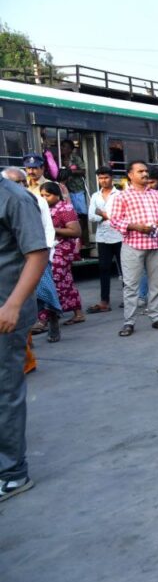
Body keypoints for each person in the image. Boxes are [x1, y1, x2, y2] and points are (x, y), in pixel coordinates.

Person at [0, 169, 48, 503]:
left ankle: (13, 473)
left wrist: (13, 305)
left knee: (4, 390)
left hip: (5, 311)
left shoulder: (14, 198)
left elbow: (37, 253)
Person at [107, 160, 158, 337]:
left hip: (156, 244)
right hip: (133, 245)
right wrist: (134, 226)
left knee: (156, 284)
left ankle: (156, 317)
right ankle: (129, 322)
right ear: (130, 175)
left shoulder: (157, 195)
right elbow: (114, 220)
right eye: (140, 171)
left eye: (146, 171)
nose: (145, 174)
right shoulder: (122, 196)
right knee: (131, 286)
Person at [38, 182, 85, 336]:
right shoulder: (44, 208)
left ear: (57, 195)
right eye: (42, 195)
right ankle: (78, 313)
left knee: (53, 282)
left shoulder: (65, 208)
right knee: (66, 281)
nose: (44, 198)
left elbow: (76, 231)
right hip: (50, 248)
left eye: (48, 195)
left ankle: (44, 318)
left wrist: (51, 229)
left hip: (62, 249)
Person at [86, 166, 122, 314]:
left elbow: (121, 215)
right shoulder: (95, 196)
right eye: (100, 178)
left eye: (106, 177)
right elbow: (91, 216)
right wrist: (104, 216)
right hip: (103, 237)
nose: (103, 180)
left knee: (124, 269)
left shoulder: (120, 194)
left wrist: (102, 214)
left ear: (111, 178)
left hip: (119, 236)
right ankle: (104, 301)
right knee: (104, 269)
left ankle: (129, 299)